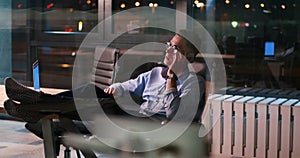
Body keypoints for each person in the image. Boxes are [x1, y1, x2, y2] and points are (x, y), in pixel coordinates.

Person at [4, 30, 205, 124]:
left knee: (105, 105)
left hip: (151, 125)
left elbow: (175, 117)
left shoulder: (195, 84)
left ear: (187, 56)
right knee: (91, 89)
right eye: (168, 44)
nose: (168, 49)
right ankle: (36, 105)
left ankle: (36, 107)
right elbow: (129, 85)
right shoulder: (154, 73)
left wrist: (171, 80)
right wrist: (116, 88)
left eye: (175, 47)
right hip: (137, 115)